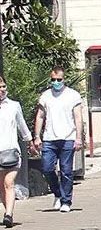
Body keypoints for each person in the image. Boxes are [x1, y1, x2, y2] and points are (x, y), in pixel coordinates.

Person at [34, 66, 83, 214]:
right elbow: (40, 116)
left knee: (66, 171)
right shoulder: (46, 96)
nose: (56, 82)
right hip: (49, 138)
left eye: (59, 80)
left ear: (64, 79)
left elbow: (78, 117)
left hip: (68, 138)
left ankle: (66, 201)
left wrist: (79, 138)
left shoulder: (73, 95)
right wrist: (37, 136)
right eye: (53, 80)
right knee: (47, 168)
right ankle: (57, 194)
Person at [0, 76, 35, 228]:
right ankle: (6, 209)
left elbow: (22, 127)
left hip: (11, 151)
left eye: (3, 86)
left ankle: (9, 214)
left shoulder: (14, 106)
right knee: (1, 186)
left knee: (9, 183)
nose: (2, 90)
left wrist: (30, 143)